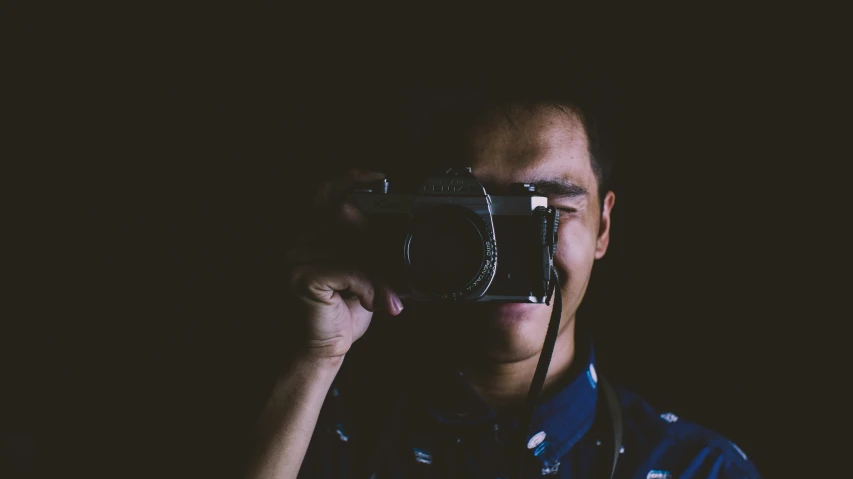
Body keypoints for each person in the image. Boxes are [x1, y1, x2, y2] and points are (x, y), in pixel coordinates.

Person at [243, 93, 762, 478]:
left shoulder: (699, 468)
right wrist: (316, 359)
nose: (510, 247)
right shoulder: (312, 433)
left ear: (603, 227)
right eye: (477, 215)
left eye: (551, 211)